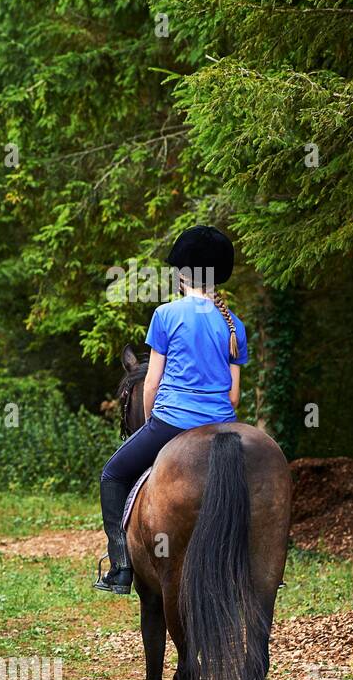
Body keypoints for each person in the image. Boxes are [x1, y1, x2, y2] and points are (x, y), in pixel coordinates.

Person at [95, 225, 247, 594]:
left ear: (181, 274)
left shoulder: (165, 315)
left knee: (112, 476)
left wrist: (151, 425)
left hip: (173, 422)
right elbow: (233, 399)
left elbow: (151, 382)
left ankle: (121, 567)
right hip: (222, 427)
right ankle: (250, 561)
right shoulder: (234, 325)